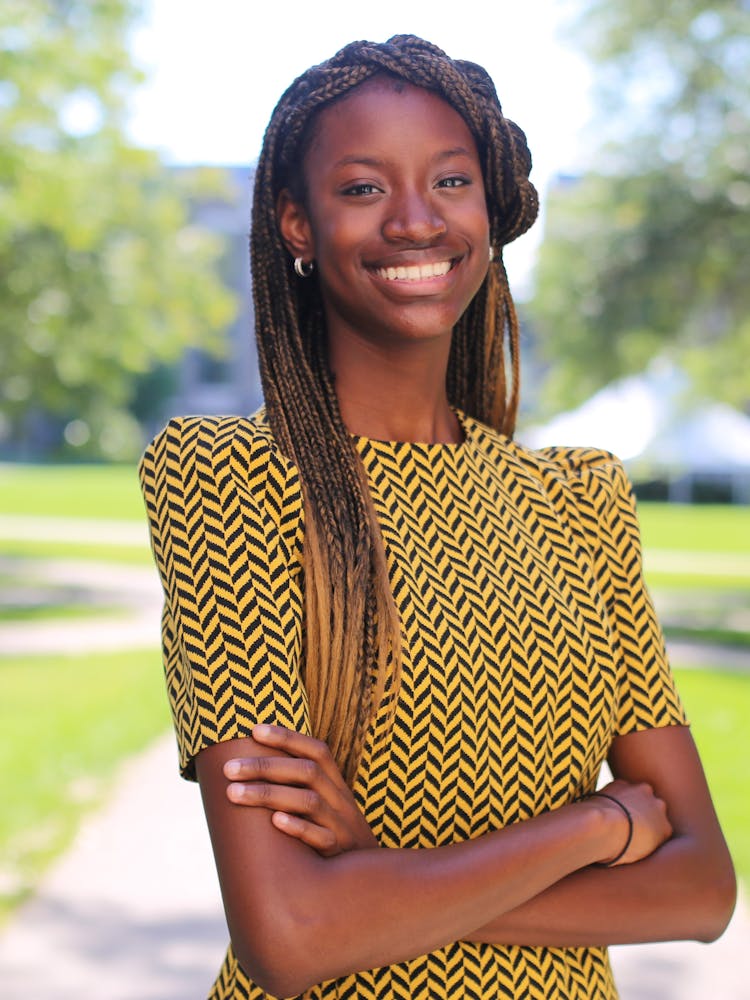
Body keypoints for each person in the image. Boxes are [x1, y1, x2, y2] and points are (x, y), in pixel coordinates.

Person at [139, 35, 736, 1000]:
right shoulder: (234, 480)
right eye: (364, 189)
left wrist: (380, 878)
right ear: (297, 223)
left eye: (451, 181)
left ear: (490, 214)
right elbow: (291, 935)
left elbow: (704, 889)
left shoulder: (579, 499)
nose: (416, 221)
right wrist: (593, 829)